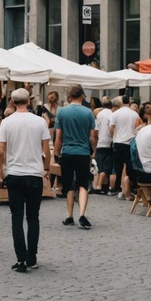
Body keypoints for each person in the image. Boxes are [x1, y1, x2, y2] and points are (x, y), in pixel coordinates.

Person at [0, 88, 51, 273]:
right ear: (29, 101)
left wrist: (0, 172)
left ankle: (20, 258)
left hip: (15, 173)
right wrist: (47, 170)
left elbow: (1, 150)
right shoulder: (40, 121)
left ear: (11, 101)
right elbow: (47, 150)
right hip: (34, 173)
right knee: (33, 217)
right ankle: (31, 257)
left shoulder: (6, 122)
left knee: (16, 218)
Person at [54, 84, 96, 229]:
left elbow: (58, 136)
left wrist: (56, 152)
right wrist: (94, 151)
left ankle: (70, 216)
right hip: (83, 152)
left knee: (69, 185)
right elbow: (92, 137)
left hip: (67, 152)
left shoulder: (62, 112)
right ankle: (82, 214)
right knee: (83, 184)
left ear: (69, 96)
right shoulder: (88, 112)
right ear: (82, 95)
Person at [109, 95, 141, 200]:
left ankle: (117, 186)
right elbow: (138, 128)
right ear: (129, 102)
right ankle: (131, 187)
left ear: (122, 102)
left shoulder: (115, 114)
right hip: (130, 143)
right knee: (129, 167)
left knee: (118, 167)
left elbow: (111, 129)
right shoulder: (134, 114)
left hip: (118, 142)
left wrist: (114, 137)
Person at [93, 96, 115, 194]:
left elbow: (95, 132)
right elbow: (112, 129)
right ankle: (101, 186)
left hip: (100, 142)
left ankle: (100, 186)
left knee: (101, 166)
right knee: (107, 167)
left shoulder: (99, 115)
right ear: (111, 106)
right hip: (109, 142)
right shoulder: (112, 114)